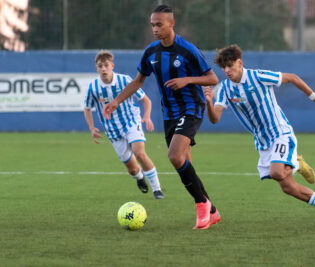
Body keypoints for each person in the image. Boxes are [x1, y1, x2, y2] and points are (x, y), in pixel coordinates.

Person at [103, 5, 220, 229]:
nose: (155, 29)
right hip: (169, 115)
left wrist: (188, 80)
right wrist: (116, 101)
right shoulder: (151, 52)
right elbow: (138, 81)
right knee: (185, 164)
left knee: (175, 156)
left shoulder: (188, 50)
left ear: (171, 23)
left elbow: (213, 78)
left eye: (159, 24)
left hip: (191, 108)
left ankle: (201, 206)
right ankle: (212, 210)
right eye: (152, 25)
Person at [204, 44, 315, 224]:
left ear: (240, 62)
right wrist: (208, 102)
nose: (227, 70)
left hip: (280, 132)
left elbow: (292, 78)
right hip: (263, 142)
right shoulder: (224, 89)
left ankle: (296, 162)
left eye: (230, 65)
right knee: (288, 187)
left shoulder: (257, 76)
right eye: (224, 67)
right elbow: (215, 119)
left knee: (277, 172)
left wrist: (314, 96)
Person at [84, 50, 164, 199]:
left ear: (112, 66)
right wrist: (91, 127)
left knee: (139, 153)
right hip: (112, 130)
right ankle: (140, 177)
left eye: (106, 65)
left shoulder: (124, 80)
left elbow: (146, 100)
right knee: (132, 169)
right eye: (100, 66)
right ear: (96, 68)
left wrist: (146, 116)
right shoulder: (93, 87)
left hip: (131, 122)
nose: (103, 69)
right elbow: (87, 107)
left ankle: (157, 189)